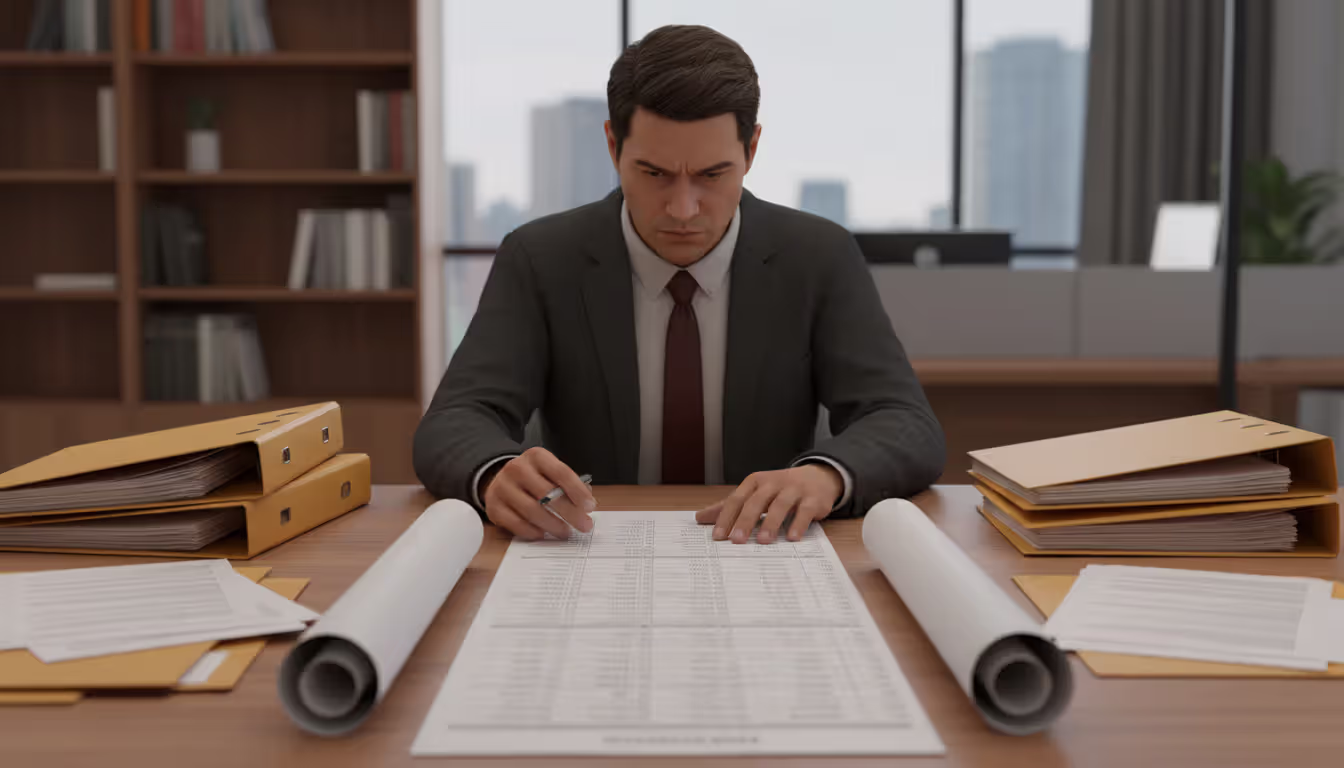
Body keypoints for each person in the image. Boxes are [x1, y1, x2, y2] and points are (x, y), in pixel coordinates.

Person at [415, 24, 944, 545]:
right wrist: (495, 472)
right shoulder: (540, 258)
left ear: (752, 150)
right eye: (654, 174)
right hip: (588, 547)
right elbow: (456, 420)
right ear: (612, 145)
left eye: (712, 175)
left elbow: (904, 421)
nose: (683, 210)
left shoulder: (818, 256)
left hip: (762, 549)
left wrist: (826, 475)